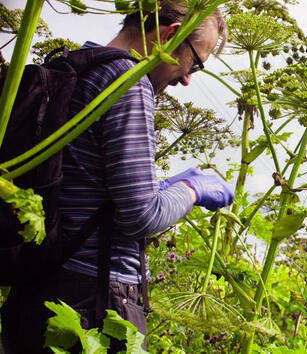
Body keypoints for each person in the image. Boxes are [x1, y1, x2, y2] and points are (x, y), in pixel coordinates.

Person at [1, 2, 234, 352]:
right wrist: (192, 190)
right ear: (172, 35)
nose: (187, 79)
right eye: (195, 64)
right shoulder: (129, 83)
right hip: (92, 300)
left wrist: (161, 187)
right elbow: (142, 216)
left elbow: (89, 183)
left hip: (41, 285)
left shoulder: (81, 64)